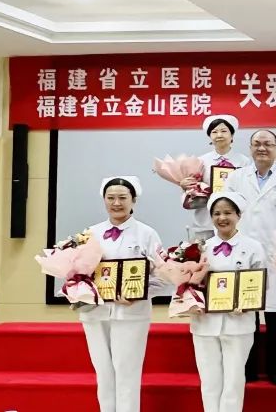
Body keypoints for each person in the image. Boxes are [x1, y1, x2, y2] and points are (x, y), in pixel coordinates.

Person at [222, 130, 276, 385]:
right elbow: (225, 213)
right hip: (243, 254)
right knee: (246, 313)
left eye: (268, 144)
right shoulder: (236, 178)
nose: (262, 148)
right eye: (257, 143)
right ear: (250, 148)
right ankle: (248, 369)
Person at [82, 176, 164, 412]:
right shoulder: (91, 233)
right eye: (110, 198)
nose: (116, 203)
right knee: (104, 374)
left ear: (133, 200)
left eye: (122, 198)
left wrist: (138, 293)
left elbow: (163, 276)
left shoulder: (147, 234)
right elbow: (78, 272)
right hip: (96, 313)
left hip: (132, 313)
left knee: (127, 374)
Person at [192, 192, 265, 412]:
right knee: (209, 382)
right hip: (205, 324)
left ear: (238, 215)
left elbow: (261, 284)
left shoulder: (253, 247)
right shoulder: (199, 248)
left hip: (239, 323)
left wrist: (247, 302)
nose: (222, 218)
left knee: (233, 382)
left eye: (228, 213)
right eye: (216, 213)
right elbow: (190, 283)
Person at [182, 114, 251, 240]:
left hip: (235, 222)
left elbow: (248, 190)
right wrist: (186, 186)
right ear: (210, 136)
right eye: (214, 132)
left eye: (224, 131)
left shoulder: (244, 162)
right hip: (206, 221)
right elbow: (194, 190)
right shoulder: (200, 161)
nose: (219, 135)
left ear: (232, 135)